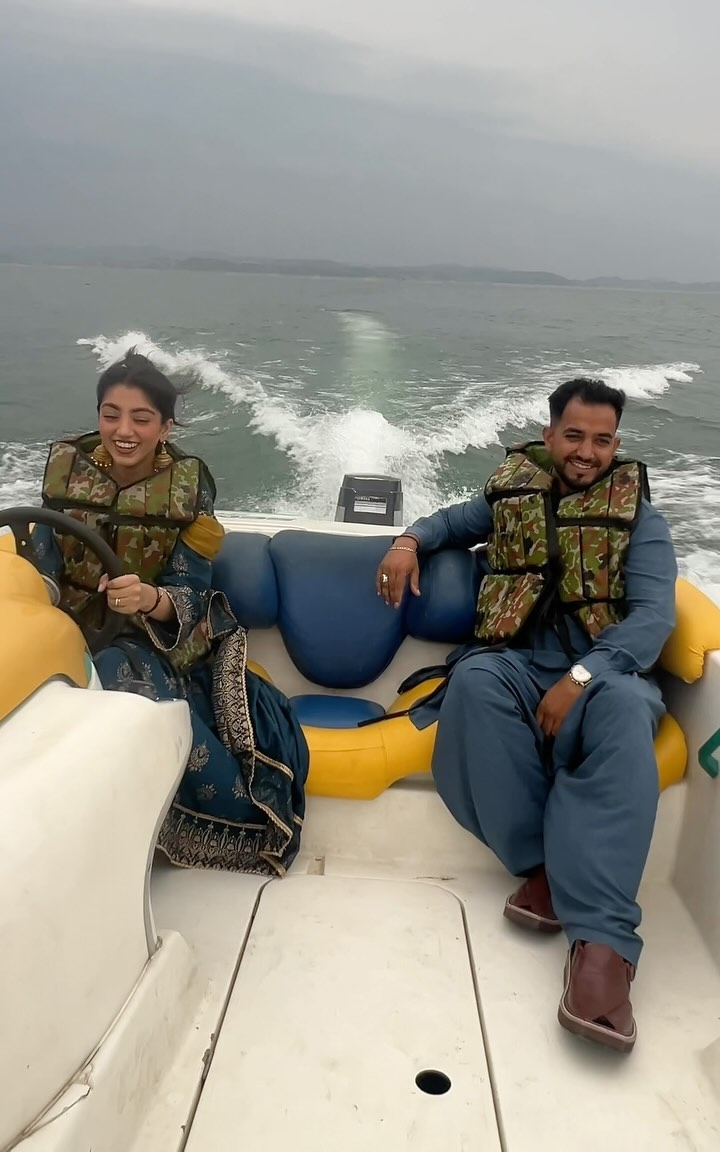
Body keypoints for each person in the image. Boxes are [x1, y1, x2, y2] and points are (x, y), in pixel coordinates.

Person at [375, 377, 677, 1053]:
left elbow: (654, 618)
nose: (587, 452)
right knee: (474, 682)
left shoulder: (641, 522)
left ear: (616, 445)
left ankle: (603, 946)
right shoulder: (514, 493)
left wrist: (582, 675)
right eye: (574, 436)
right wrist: (408, 541)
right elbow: (452, 522)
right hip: (516, 663)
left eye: (602, 440)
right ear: (549, 435)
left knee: (628, 713)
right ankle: (544, 868)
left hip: (604, 671)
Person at [33, 350, 308, 876]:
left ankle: (210, 825)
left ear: (164, 426)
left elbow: (190, 589)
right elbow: (41, 561)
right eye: (111, 414)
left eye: (141, 418)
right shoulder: (66, 473)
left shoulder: (189, 489)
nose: (124, 430)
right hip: (64, 626)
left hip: (150, 634)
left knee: (117, 676)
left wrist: (148, 599)